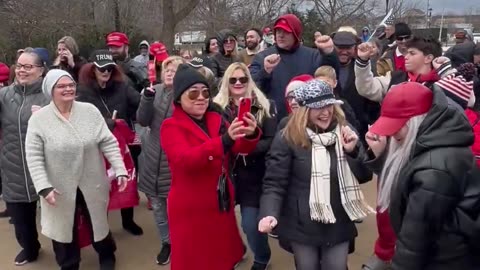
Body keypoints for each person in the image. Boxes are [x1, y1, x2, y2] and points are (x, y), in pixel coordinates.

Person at [258, 79, 373, 270]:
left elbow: (365, 175)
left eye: (329, 105)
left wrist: (353, 152)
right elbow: (274, 183)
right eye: (318, 107)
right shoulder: (287, 137)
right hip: (302, 223)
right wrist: (269, 213)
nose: (326, 112)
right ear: (304, 110)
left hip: (338, 220)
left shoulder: (345, 131)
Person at [365, 82, 479, 270]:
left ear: (417, 120)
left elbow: (414, 243)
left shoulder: (435, 170)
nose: (392, 133)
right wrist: (381, 157)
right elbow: (404, 178)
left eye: (398, 125)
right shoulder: (434, 142)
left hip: (443, 260)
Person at [160, 64, 260, 270]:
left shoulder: (215, 118)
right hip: (190, 208)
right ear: (179, 97)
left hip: (219, 202)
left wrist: (249, 134)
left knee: (222, 257)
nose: (201, 97)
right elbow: (184, 160)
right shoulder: (170, 126)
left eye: (205, 92)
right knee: (196, 260)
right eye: (193, 93)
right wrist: (224, 141)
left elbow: (238, 148)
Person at [25, 69, 128, 270]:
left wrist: (120, 168)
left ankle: (107, 255)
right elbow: (34, 157)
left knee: (98, 222)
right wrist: (43, 187)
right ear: (50, 90)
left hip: (92, 180)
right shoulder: (39, 120)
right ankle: (69, 263)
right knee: (62, 229)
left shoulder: (89, 111)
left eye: (71, 84)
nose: (68, 89)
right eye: (61, 86)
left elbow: (108, 141)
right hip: (58, 186)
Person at [213, 62, 277, 270]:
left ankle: (262, 256)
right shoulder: (217, 107)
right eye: (233, 80)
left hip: (253, 174)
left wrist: (247, 147)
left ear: (249, 80)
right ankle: (236, 250)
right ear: (226, 82)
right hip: (226, 174)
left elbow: (271, 140)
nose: (238, 83)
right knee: (224, 222)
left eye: (243, 79)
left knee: (250, 224)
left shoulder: (263, 105)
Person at [77, 50, 143, 236]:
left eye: (109, 68)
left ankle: (128, 221)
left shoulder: (122, 86)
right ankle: (102, 227)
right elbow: (79, 118)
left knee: (127, 181)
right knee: (101, 185)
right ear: (92, 70)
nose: (105, 72)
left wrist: (148, 96)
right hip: (96, 147)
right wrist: (108, 123)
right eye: (101, 68)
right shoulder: (83, 91)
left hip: (123, 145)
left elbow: (139, 104)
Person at [0, 48, 50, 266]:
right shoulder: (3, 96)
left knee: (57, 220)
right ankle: (30, 248)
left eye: (28, 66)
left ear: (41, 70)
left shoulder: (51, 95)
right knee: (22, 223)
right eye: (19, 65)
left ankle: (67, 253)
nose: (21, 70)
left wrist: (46, 119)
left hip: (46, 168)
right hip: (14, 167)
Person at [136, 56, 184, 265]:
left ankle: (182, 242)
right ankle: (167, 243)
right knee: (157, 207)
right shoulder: (153, 91)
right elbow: (143, 120)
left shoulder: (186, 95)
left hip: (173, 163)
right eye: (167, 69)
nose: (169, 72)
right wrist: (147, 97)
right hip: (152, 160)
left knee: (178, 209)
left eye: (174, 69)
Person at [250, 13, 339, 121]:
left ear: (296, 34)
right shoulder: (262, 57)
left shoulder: (313, 56)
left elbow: (330, 78)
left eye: (286, 32)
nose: (280, 35)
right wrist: (266, 71)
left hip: (307, 121)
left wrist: (329, 53)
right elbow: (252, 87)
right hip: (272, 123)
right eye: (278, 31)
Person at [355, 36, 443, 103]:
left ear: (428, 58)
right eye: (407, 53)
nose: (406, 57)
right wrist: (363, 60)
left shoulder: (443, 85)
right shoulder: (395, 78)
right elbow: (367, 88)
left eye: (412, 53)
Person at [332, 30, 380, 145]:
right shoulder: (325, 67)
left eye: (348, 48)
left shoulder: (365, 69)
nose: (343, 52)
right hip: (332, 129)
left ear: (355, 48)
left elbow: (373, 102)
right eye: (339, 47)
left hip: (360, 131)